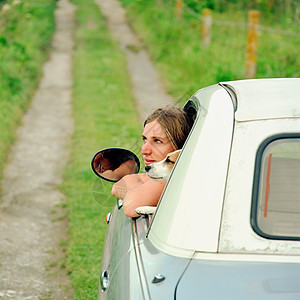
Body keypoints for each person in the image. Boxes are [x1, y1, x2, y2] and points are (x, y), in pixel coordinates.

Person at [111, 105, 193, 217]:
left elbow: (131, 206)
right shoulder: (162, 175)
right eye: (145, 139)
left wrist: (141, 183)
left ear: (180, 147)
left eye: (157, 141)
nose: (144, 150)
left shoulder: (175, 176)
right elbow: (117, 188)